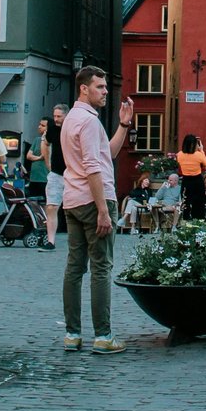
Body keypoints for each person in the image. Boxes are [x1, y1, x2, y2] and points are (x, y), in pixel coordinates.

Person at [58, 65, 134, 352]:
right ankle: (103, 336)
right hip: (93, 200)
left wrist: (123, 125)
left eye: (104, 87)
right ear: (84, 88)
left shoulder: (72, 118)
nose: (105, 91)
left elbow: (107, 154)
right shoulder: (88, 122)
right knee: (101, 267)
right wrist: (103, 210)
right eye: (100, 87)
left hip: (73, 200)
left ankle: (72, 334)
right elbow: (93, 168)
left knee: (74, 268)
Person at [36, 102, 68, 252]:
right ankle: (51, 241)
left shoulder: (72, 128)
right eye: (54, 116)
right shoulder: (52, 129)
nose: (56, 119)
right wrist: (48, 163)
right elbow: (46, 143)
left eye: (59, 116)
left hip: (73, 175)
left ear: (66, 115)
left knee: (75, 208)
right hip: (56, 174)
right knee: (51, 207)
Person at [175, 135, 206, 220]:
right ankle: (198, 221)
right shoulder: (198, 154)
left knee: (186, 202)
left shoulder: (179, 154)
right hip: (197, 180)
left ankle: (186, 221)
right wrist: (201, 150)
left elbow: (179, 163)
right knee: (199, 203)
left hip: (186, 180)